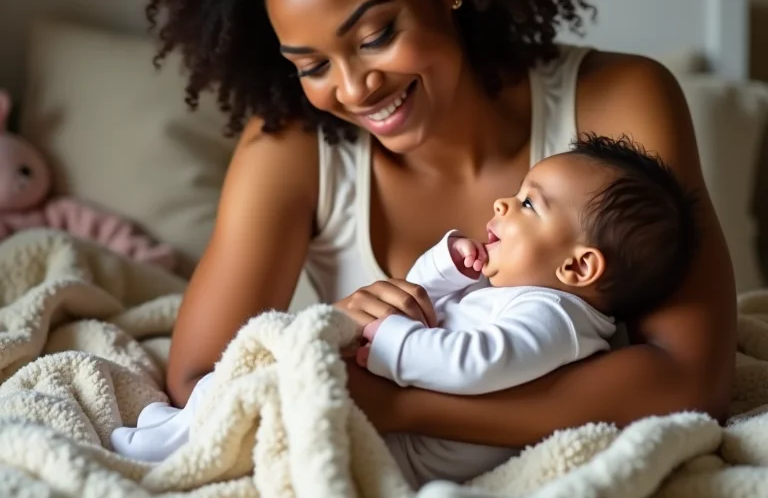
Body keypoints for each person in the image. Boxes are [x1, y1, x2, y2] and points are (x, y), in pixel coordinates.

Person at [130, 0, 736, 456]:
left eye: (377, 35)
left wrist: (401, 405)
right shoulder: (292, 147)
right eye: (312, 65)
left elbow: (690, 384)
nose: (355, 89)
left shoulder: (619, 98)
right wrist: (333, 326)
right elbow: (197, 377)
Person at [111, 134, 699, 487]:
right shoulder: (512, 293)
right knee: (267, 368)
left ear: (577, 268)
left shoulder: (558, 321)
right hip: (404, 418)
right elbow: (413, 298)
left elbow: (472, 364)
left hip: (419, 446)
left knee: (283, 391)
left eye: (527, 203)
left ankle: (169, 449)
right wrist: (444, 272)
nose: (502, 201)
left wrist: (388, 341)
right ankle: (182, 429)